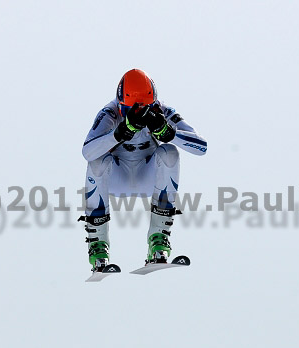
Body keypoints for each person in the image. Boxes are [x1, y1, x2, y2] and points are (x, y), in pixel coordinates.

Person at [81, 69, 207, 272]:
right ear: (121, 104)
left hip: (149, 176)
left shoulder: (163, 110)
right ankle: (98, 246)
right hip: (117, 177)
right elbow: (87, 152)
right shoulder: (109, 113)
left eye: (144, 109)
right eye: (132, 109)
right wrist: (120, 133)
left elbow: (202, 147)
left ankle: (159, 239)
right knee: (97, 162)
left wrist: (169, 132)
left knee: (170, 152)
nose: (138, 113)